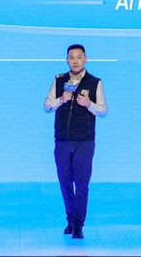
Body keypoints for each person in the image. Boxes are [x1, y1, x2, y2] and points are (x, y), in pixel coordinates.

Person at [44, 43, 107, 239]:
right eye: (71, 57)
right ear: (67, 60)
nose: (75, 61)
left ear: (85, 59)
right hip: (62, 141)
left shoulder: (95, 82)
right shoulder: (59, 80)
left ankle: (79, 225)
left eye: (79, 57)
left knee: (81, 184)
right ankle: (70, 220)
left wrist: (89, 104)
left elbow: (103, 111)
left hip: (84, 142)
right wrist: (60, 100)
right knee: (65, 183)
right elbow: (46, 106)